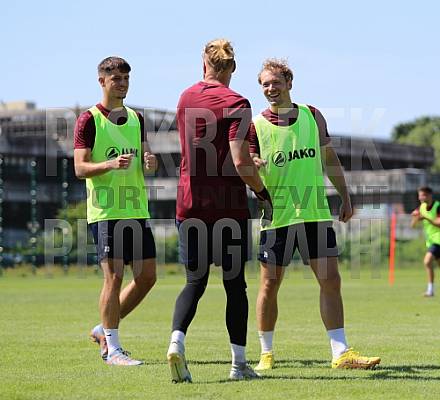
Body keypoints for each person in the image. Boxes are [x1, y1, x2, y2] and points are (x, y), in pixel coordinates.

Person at [249, 58, 381, 371]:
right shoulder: (255, 125)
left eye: (275, 82)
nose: (270, 88)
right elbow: (246, 161)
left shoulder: (312, 115)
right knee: (269, 285)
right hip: (277, 217)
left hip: (315, 214)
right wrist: (252, 164)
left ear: (289, 83)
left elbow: (329, 158)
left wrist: (345, 195)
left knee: (330, 280)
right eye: (265, 84)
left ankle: (341, 353)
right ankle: (266, 353)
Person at [166, 39, 272, 382]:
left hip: (189, 204)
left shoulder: (185, 98)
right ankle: (238, 365)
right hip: (228, 208)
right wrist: (261, 191)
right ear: (233, 68)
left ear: (204, 64)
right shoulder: (237, 102)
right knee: (234, 285)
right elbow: (240, 161)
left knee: (194, 282)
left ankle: (176, 343)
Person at [74, 56, 157, 366]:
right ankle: (112, 349)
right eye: (116, 79)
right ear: (102, 82)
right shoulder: (89, 119)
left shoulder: (137, 118)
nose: (122, 84)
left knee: (147, 277)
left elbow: (147, 160)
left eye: (126, 79)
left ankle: (103, 329)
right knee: (114, 278)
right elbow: (80, 168)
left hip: (137, 210)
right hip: (106, 212)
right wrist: (109, 164)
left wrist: (151, 162)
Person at [411, 186, 440, 297]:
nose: (420, 198)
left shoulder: (438, 206)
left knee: (427, 261)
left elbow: (439, 223)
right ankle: (431, 290)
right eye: (419, 195)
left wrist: (426, 218)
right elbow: (413, 226)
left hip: (438, 240)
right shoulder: (421, 207)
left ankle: (430, 290)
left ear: (429, 195)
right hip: (431, 241)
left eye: (422, 195)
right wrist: (415, 217)